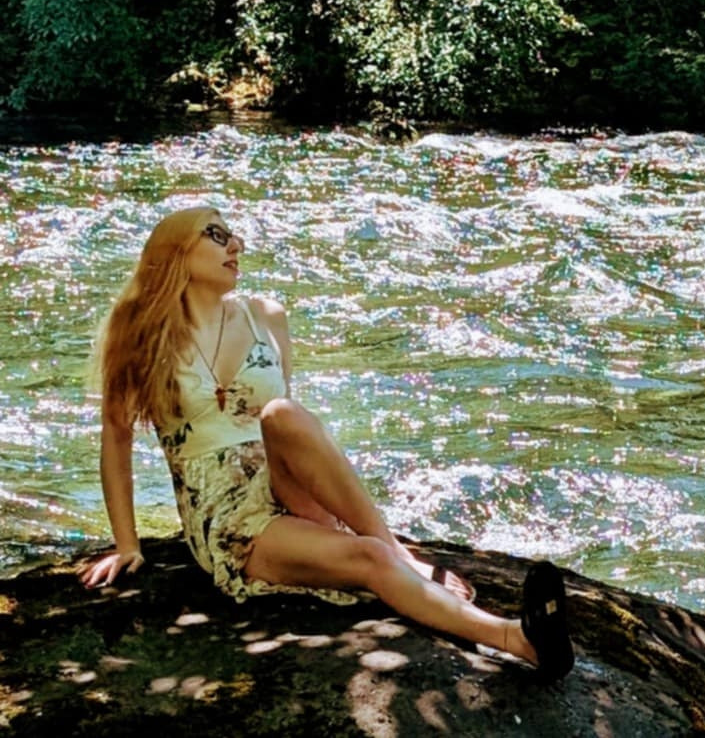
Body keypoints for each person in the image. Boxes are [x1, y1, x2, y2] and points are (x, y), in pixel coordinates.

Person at [77, 205, 573, 681]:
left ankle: (394, 545)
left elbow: (290, 433)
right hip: (230, 515)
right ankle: (517, 638)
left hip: (283, 477)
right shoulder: (141, 335)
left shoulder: (265, 315)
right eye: (217, 234)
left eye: (235, 235)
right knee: (366, 561)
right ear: (176, 252)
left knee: (282, 414)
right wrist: (127, 544)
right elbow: (116, 438)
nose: (237, 245)